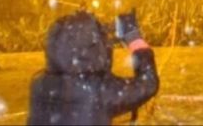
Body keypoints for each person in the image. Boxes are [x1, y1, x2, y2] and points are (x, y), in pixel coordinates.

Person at [27, 9, 159, 126]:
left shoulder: (38, 84)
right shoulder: (100, 90)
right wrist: (134, 38)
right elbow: (148, 82)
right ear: (93, 46)